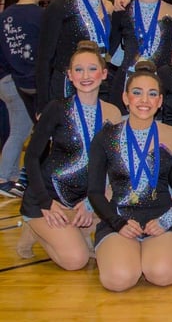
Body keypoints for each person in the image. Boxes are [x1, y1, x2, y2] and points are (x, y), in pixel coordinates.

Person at [87, 61, 172, 291]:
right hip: (119, 220)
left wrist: (167, 220)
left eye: (152, 94)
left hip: (160, 221)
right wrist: (117, 223)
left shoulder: (171, 136)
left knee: (164, 275)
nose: (144, 101)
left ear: (159, 101)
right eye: (137, 93)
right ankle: (118, 253)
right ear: (126, 98)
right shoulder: (105, 137)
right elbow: (95, 192)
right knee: (119, 280)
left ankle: (147, 254)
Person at [20, 42, 122, 266]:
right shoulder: (56, 109)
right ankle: (36, 230)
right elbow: (32, 157)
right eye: (78, 69)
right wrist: (46, 202)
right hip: (48, 197)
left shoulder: (113, 113)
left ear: (104, 73)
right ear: (70, 75)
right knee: (76, 260)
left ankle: (76, 226)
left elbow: (114, 166)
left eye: (92, 69)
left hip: (86, 200)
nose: (85, 76)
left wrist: (90, 203)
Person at [36, 0, 116, 114]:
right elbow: (44, 58)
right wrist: (42, 105)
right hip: (68, 85)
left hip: (98, 84)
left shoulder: (108, 7)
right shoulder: (60, 6)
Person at [0, 0, 43, 197]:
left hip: (5, 79)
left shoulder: (5, 15)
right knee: (20, 129)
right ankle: (4, 177)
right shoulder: (39, 15)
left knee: (18, 127)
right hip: (17, 80)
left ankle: (12, 173)